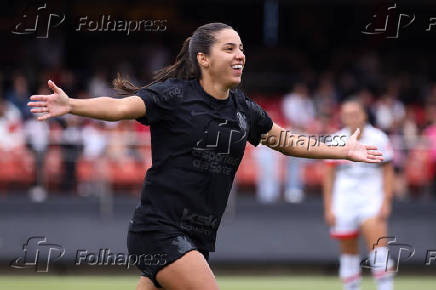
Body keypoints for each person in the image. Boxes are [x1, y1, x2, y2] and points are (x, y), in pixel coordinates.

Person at [28, 23, 383, 290]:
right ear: (203, 58)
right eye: (229, 48)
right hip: (158, 231)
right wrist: (72, 104)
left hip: (198, 237)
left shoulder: (245, 109)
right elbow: (120, 107)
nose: (240, 55)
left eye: (241, 48)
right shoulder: (174, 96)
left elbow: (287, 141)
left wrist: (342, 149)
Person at [323, 99, 394, 290]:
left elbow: (388, 172)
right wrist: (329, 207)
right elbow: (328, 177)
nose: (351, 118)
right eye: (346, 114)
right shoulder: (335, 139)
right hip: (344, 200)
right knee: (348, 252)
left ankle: (385, 287)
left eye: (355, 113)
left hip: (371, 199)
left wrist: (386, 201)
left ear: (364, 114)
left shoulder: (378, 138)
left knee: (378, 247)